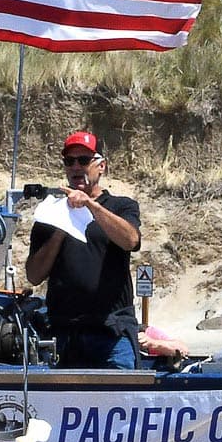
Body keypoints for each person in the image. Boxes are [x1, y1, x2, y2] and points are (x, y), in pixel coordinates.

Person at [25, 130, 143, 369]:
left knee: (120, 399)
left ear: (101, 166)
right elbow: (34, 275)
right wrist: (61, 225)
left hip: (111, 331)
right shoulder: (50, 214)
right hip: (64, 332)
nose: (76, 167)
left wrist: (90, 205)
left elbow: (130, 240)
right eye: (70, 161)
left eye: (84, 160)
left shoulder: (121, 206)